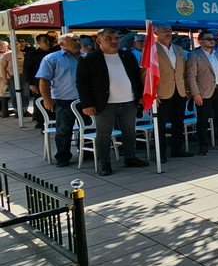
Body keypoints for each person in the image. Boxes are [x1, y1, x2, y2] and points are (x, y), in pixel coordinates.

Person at [76, 28, 148, 175]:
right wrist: (87, 104)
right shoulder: (89, 58)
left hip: (129, 101)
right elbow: (82, 83)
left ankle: (130, 157)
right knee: (104, 134)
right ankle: (104, 163)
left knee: (129, 131)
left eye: (116, 38)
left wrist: (140, 95)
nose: (114, 41)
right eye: (108, 39)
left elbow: (136, 76)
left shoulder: (127, 55)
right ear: (99, 41)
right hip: (105, 104)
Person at [186, 29, 218, 154]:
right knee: (202, 120)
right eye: (209, 39)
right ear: (201, 41)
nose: (212, 41)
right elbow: (191, 76)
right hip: (204, 92)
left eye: (213, 39)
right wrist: (196, 94)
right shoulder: (194, 55)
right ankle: (203, 145)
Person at [36, 33, 81, 167]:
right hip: (63, 100)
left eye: (78, 40)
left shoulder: (85, 56)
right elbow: (44, 80)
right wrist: (47, 99)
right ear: (62, 44)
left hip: (84, 100)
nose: (77, 43)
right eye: (73, 41)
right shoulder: (52, 58)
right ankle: (62, 157)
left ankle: (87, 153)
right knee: (63, 130)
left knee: (88, 128)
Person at [152, 23, 193, 161]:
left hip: (179, 91)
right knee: (160, 125)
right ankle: (161, 153)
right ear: (156, 32)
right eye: (164, 30)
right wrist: (153, 93)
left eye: (169, 30)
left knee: (178, 122)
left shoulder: (178, 49)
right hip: (161, 92)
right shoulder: (151, 50)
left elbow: (184, 71)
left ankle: (177, 149)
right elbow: (147, 75)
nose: (168, 33)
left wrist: (187, 89)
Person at [24, 34, 55, 129]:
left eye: (49, 41)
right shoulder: (32, 54)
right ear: (38, 42)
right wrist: (31, 83)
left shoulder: (54, 53)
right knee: (41, 101)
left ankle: (53, 119)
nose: (48, 43)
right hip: (38, 82)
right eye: (45, 41)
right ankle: (41, 122)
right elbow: (27, 70)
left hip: (54, 82)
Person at [0, 41, 8, 118]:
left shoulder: (11, 53)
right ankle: (3, 111)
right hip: (0, 78)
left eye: (2, 45)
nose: (1, 46)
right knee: (1, 94)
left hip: (10, 76)